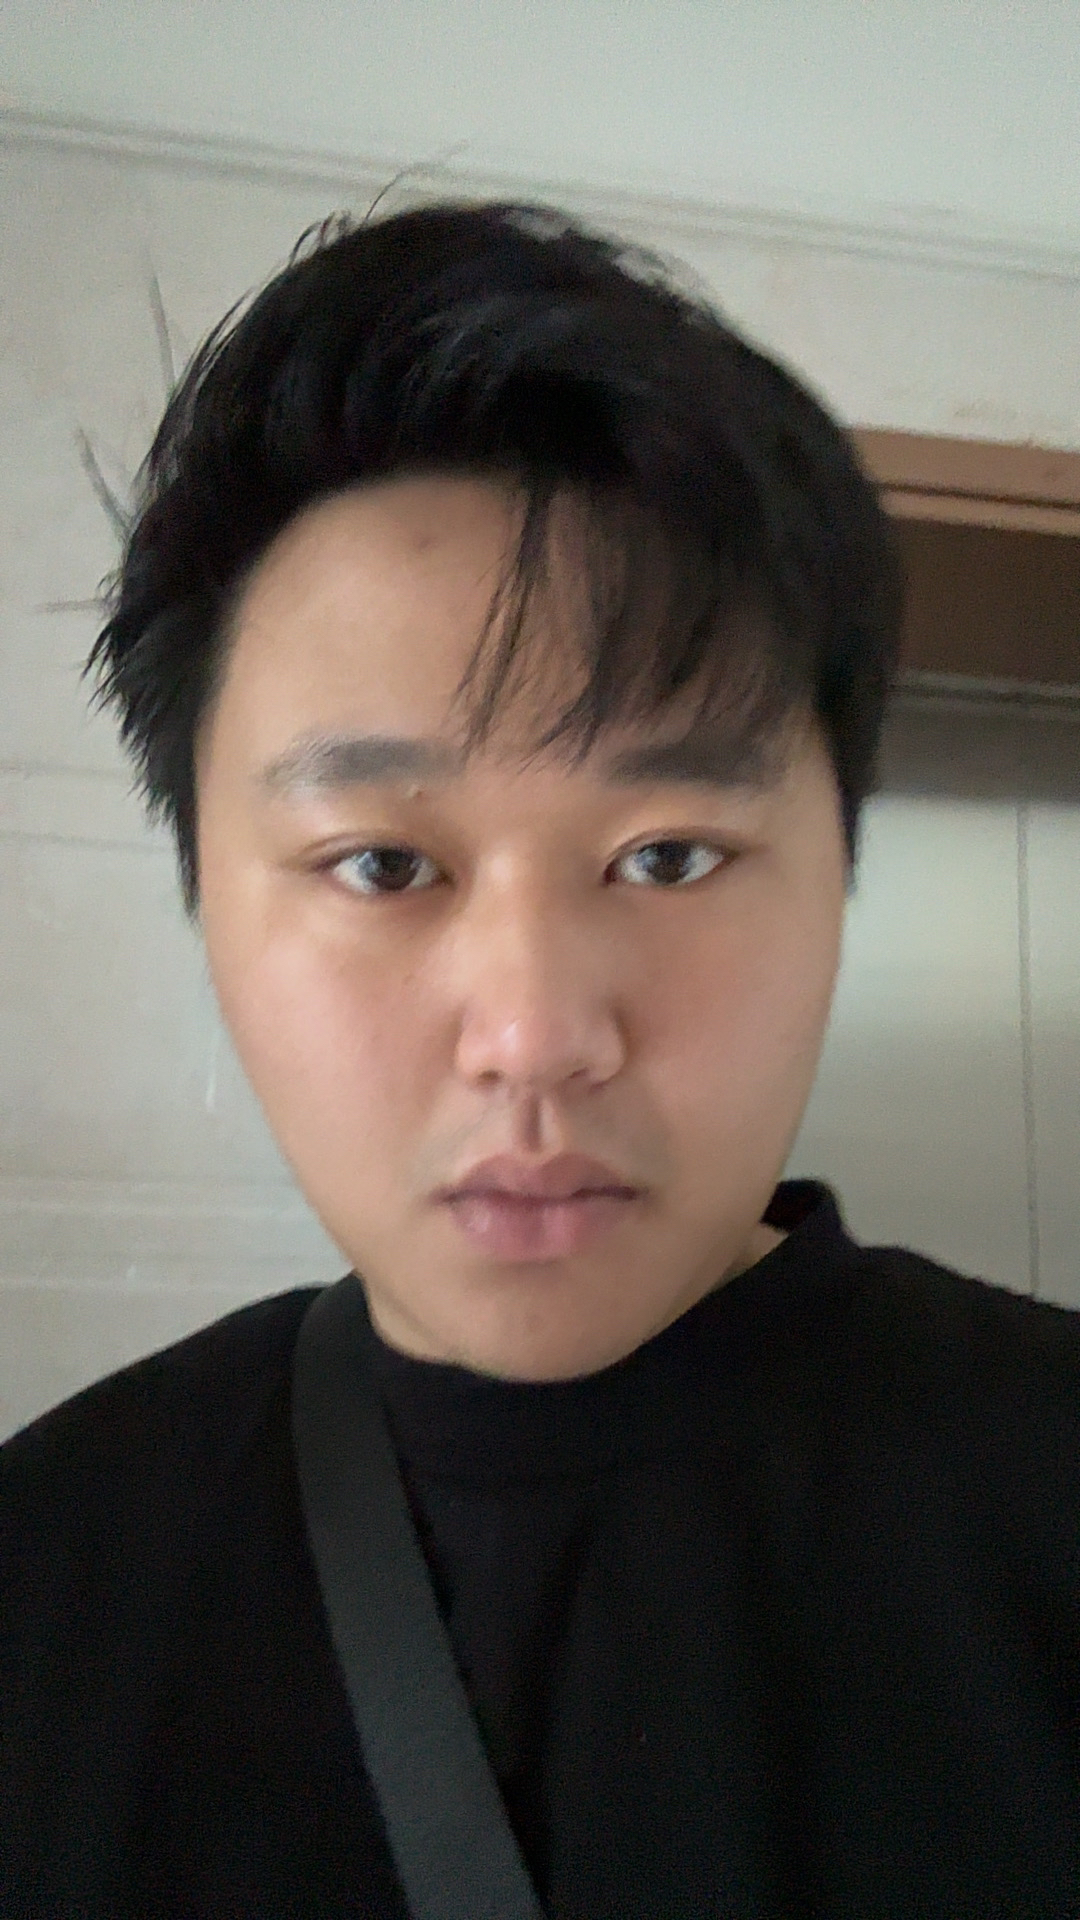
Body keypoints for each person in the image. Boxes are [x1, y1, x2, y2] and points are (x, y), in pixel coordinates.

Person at [2, 200, 1078, 1919]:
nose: (533, 1038)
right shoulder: (48, 1569)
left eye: (668, 855)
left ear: (841, 874)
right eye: (381, 864)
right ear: (204, 895)